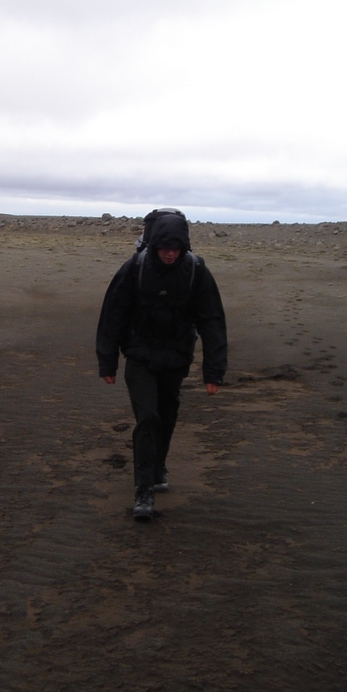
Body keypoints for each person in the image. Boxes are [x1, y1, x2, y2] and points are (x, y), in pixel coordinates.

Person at [96, 210, 227, 520]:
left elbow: (212, 322)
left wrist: (213, 372)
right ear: (154, 245)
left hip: (176, 358)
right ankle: (144, 490)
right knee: (148, 418)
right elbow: (113, 314)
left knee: (167, 417)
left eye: (176, 248)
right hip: (140, 356)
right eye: (165, 247)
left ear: (184, 246)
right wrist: (107, 362)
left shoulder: (196, 271)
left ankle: (158, 468)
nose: (170, 254)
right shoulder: (135, 269)